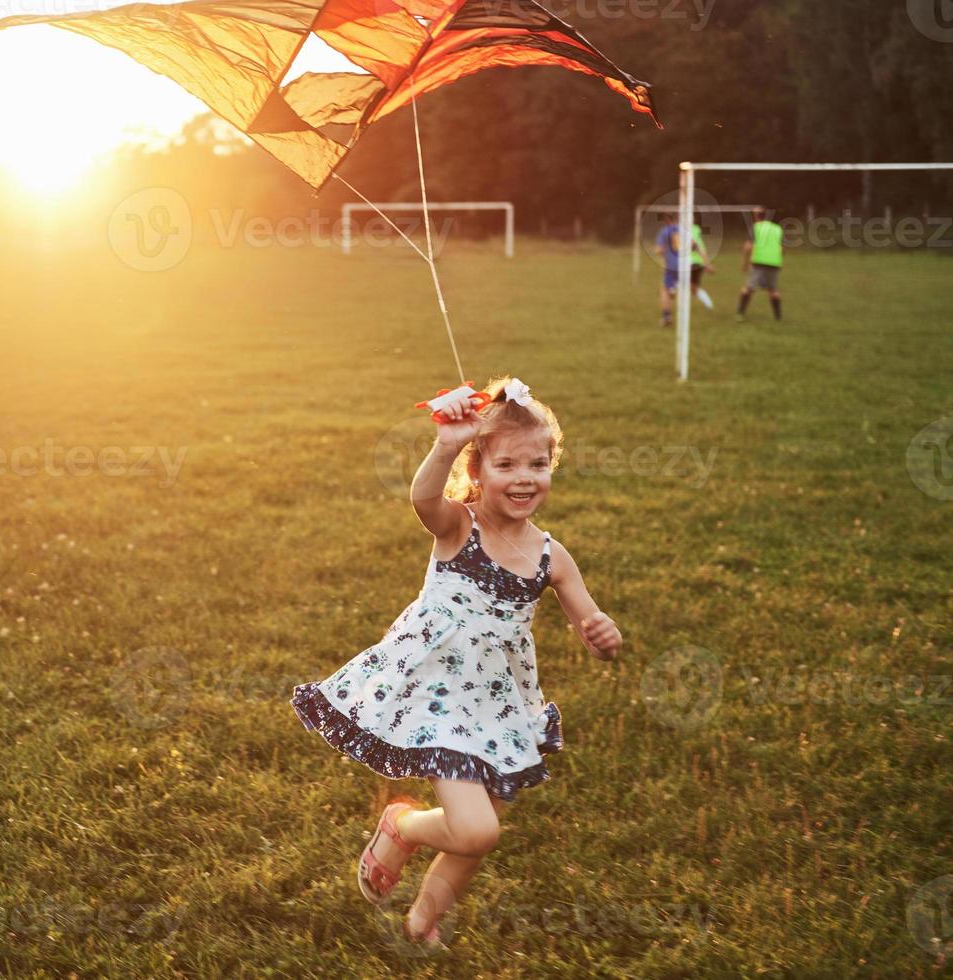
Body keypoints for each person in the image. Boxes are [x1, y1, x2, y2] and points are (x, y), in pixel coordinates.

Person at [290, 377, 623, 950]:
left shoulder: (551, 556)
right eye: (507, 464)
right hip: (437, 694)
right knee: (477, 830)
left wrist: (603, 636)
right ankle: (404, 825)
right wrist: (447, 442)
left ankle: (422, 922)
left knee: (476, 836)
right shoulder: (459, 527)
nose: (524, 478)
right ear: (478, 470)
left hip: (498, 706)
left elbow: (589, 624)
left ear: (552, 467)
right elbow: (422, 499)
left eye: (538, 464)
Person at [654, 213, 710, 327]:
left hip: (672, 265)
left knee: (665, 290)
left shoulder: (665, 231)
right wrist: (705, 261)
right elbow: (695, 245)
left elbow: (658, 250)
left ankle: (667, 317)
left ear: (667, 219)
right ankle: (677, 299)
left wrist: (666, 252)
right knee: (687, 288)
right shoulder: (684, 231)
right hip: (685, 264)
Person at [737, 207, 784, 322]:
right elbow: (782, 248)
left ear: (755, 216)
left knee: (748, 288)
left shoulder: (756, 228)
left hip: (759, 261)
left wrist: (745, 263)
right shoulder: (777, 228)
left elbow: (748, 247)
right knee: (773, 290)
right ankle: (778, 317)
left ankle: (739, 314)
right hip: (774, 262)